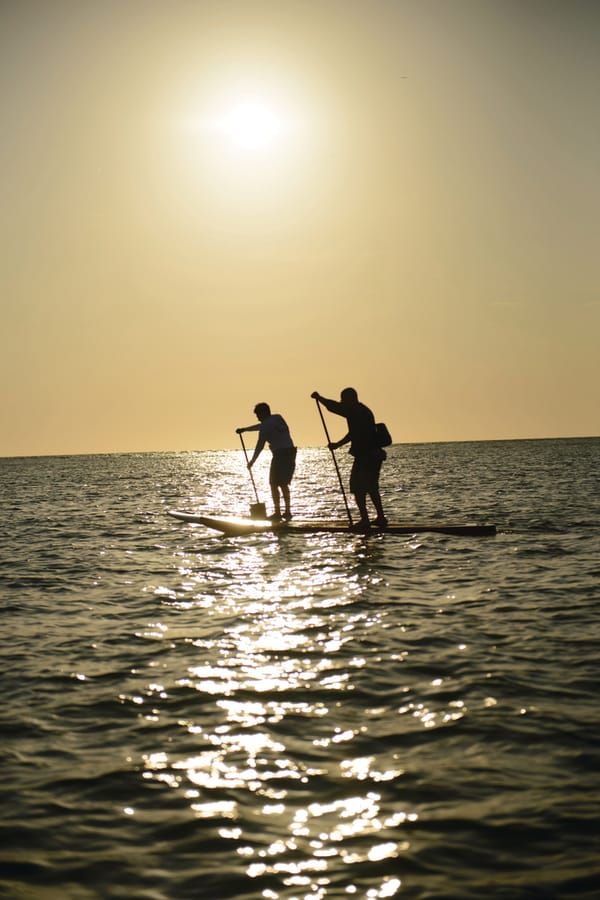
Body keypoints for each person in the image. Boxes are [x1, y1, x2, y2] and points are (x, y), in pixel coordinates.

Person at [311, 387, 388, 529]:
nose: (342, 403)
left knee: (358, 488)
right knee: (371, 487)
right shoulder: (361, 410)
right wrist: (337, 445)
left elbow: (334, 408)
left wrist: (319, 398)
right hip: (372, 455)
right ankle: (381, 518)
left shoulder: (356, 411)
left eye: (343, 400)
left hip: (367, 456)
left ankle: (365, 520)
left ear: (350, 399)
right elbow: (352, 432)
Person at [236, 403, 297, 521]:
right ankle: (288, 511)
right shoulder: (278, 418)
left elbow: (260, 445)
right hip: (291, 452)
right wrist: (245, 430)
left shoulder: (265, 426)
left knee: (274, 484)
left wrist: (252, 461)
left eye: (258, 415)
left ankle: (278, 513)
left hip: (280, 454)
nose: (257, 417)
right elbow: (262, 425)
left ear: (263, 413)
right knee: (283, 483)